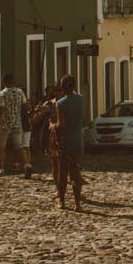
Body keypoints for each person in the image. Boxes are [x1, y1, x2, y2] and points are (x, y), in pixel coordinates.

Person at [53, 75, 85, 211]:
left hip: (65, 142)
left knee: (62, 172)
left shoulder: (60, 103)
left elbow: (62, 124)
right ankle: (77, 204)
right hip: (78, 140)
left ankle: (62, 201)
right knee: (76, 171)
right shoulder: (81, 99)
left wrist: (52, 126)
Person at [0, 72, 31, 178]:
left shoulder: (1, 94)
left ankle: (0, 168)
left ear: (4, 82)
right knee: (19, 147)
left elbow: (0, 111)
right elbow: (26, 105)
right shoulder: (20, 92)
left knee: (1, 147)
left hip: (5, 124)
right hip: (17, 123)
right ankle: (27, 165)